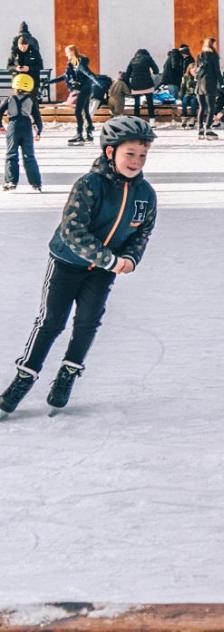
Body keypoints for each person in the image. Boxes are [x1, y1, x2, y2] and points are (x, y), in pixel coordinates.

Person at [0, 117, 158, 416]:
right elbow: (73, 230)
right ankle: (25, 375)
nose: (136, 161)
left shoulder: (145, 194)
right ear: (110, 152)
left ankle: (68, 373)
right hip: (67, 264)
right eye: (130, 154)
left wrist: (131, 258)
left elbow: (143, 232)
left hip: (101, 272)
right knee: (51, 322)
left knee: (88, 321)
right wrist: (109, 259)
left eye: (142, 155)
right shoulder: (89, 185)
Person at [51, 45, 100, 145]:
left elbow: (88, 73)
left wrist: (98, 83)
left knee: (78, 112)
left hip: (84, 89)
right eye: (66, 52)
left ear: (73, 52)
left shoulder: (79, 62)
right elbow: (65, 77)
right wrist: (49, 82)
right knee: (85, 111)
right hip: (84, 89)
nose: (66, 54)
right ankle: (89, 133)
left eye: (68, 52)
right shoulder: (71, 63)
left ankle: (79, 135)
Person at [2, 73, 43, 192]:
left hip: (13, 126)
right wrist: (38, 131)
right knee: (29, 156)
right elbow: (36, 117)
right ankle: (36, 183)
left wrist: (0, 125)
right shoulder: (31, 100)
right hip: (26, 127)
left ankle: (10, 181)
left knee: (11, 155)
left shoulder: (9, 99)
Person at [195, 38, 223, 140]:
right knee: (211, 107)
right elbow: (217, 70)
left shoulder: (199, 55)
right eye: (215, 44)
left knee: (202, 107)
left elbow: (196, 69)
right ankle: (208, 129)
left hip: (199, 85)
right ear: (212, 45)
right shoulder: (213, 56)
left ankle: (200, 130)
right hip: (210, 83)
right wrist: (222, 82)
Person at [124, 49, 159, 119]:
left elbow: (127, 75)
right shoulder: (148, 58)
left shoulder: (132, 60)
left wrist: (129, 86)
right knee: (150, 104)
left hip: (135, 85)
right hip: (147, 84)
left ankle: (137, 121)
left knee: (137, 104)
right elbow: (156, 70)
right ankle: (152, 122)